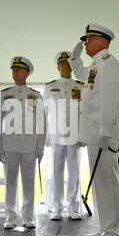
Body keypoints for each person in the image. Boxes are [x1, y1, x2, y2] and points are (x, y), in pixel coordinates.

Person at [69, 23, 119, 236]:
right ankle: (105, 228)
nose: (85, 43)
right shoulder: (96, 65)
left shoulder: (109, 63)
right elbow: (83, 76)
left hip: (104, 136)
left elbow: (111, 99)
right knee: (100, 183)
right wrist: (75, 59)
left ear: (102, 40)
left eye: (88, 39)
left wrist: (104, 132)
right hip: (95, 135)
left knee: (106, 184)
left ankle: (112, 233)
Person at [0, 56, 46, 229]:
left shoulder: (36, 95)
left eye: (18, 69)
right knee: (10, 182)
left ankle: (28, 217)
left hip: (29, 145)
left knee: (28, 182)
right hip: (9, 145)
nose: (14, 72)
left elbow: (42, 123)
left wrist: (40, 147)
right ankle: (10, 216)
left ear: (27, 73)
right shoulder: (4, 94)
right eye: (13, 70)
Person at [43, 51, 84, 220]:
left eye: (68, 64)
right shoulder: (49, 87)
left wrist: (83, 134)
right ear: (58, 67)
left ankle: (73, 207)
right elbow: (44, 113)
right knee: (56, 171)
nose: (66, 67)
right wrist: (45, 135)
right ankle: (57, 207)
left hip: (74, 134)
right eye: (63, 64)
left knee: (74, 171)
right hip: (56, 134)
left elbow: (84, 113)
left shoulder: (80, 86)